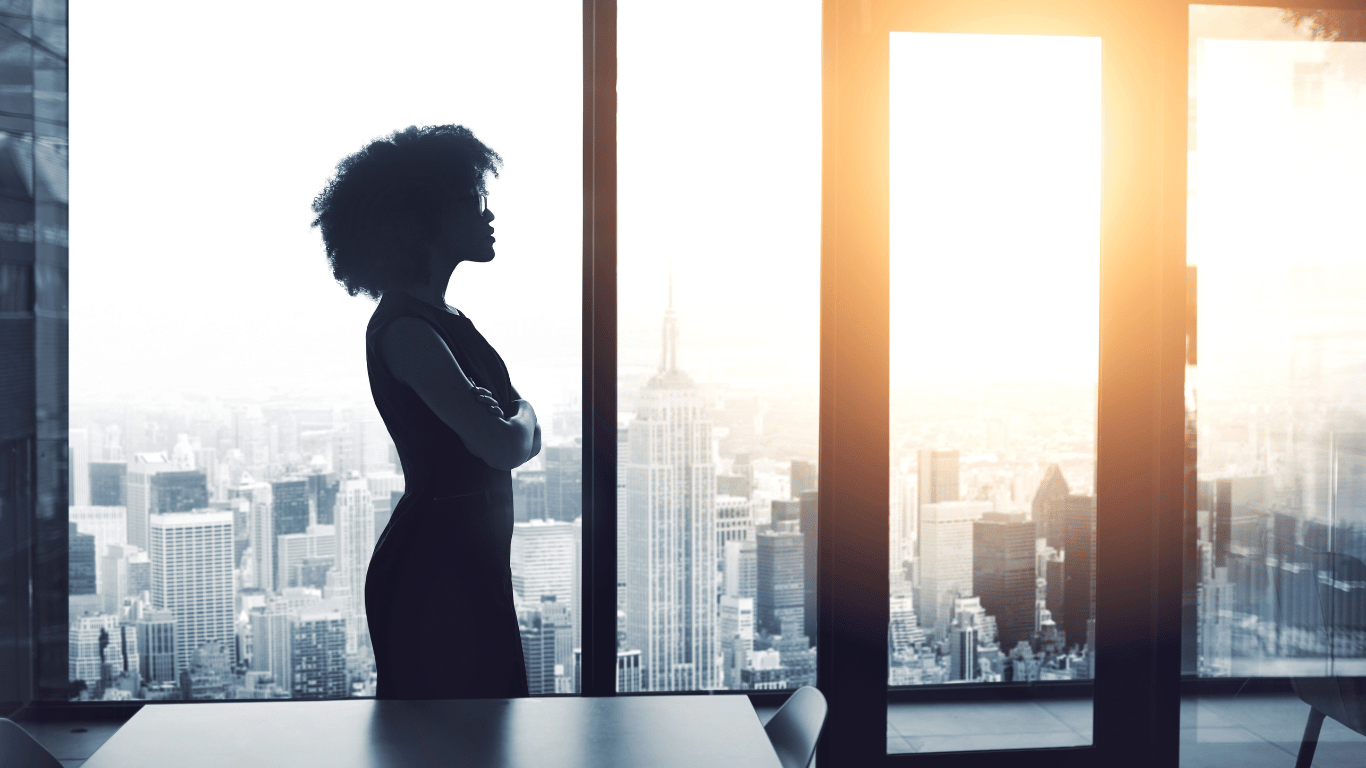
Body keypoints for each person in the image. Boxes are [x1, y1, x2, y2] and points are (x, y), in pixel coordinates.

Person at [311, 124, 538, 699]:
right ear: (423, 220)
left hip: (464, 562)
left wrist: (512, 420)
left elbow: (507, 433)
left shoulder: (443, 320)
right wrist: (523, 413)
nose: (488, 214)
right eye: (471, 200)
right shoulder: (409, 330)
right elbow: (506, 443)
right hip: (438, 576)